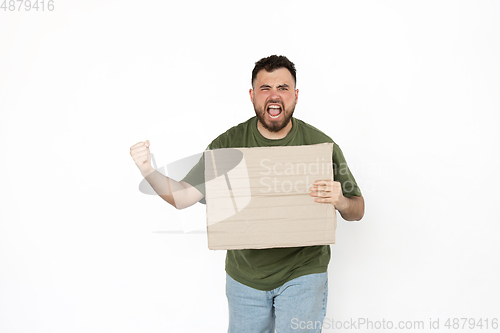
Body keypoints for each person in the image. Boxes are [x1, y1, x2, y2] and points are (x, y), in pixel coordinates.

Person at [130, 55, 364, 333]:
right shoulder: (228, 145)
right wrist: (147, 170)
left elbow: (358, 210)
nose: (274, 96)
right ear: (252, 95)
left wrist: (340, 200)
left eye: (283, 88)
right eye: (265, 88)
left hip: (303, 272)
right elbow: (182, 197)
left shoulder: (320, 145)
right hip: (246, 277)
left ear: (296, 96)